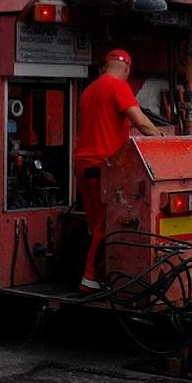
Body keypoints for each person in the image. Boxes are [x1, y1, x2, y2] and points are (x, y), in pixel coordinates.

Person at [74, 49, 159, 292]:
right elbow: (140, 121)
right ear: (127, 70)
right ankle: (90, 280)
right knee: (108, 227)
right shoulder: (118, 86)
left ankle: (97, 275)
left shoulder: (89, 91)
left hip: (83, 165)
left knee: (97, 226)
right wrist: (163, 139)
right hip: (104, 167)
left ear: (105, 66)